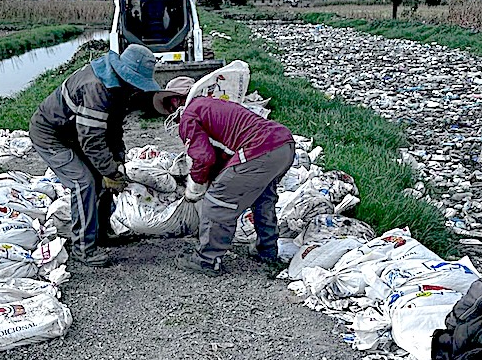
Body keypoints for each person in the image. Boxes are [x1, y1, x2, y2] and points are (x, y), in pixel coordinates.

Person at [29, 44, 161, 267]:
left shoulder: (118, 86)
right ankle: (83, 248)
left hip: (75, 133)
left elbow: (113, 126)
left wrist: (117, 161)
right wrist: (108, 170)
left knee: (105, 180)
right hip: (52, 135)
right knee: (84, 183)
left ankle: (101, 233)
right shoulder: (98, 88)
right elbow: (91, 140)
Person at [153, 77, 295, 276]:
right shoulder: (213, 105)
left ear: (176, 101)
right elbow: (223, 153)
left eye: (169, 106)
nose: (171, 114)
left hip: (260, 149)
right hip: (284, 144)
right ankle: (267, 251)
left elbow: (204, 158)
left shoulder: (190, 114)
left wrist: (195, 188)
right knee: (263, 198)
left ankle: (207, 259)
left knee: (218, 200)